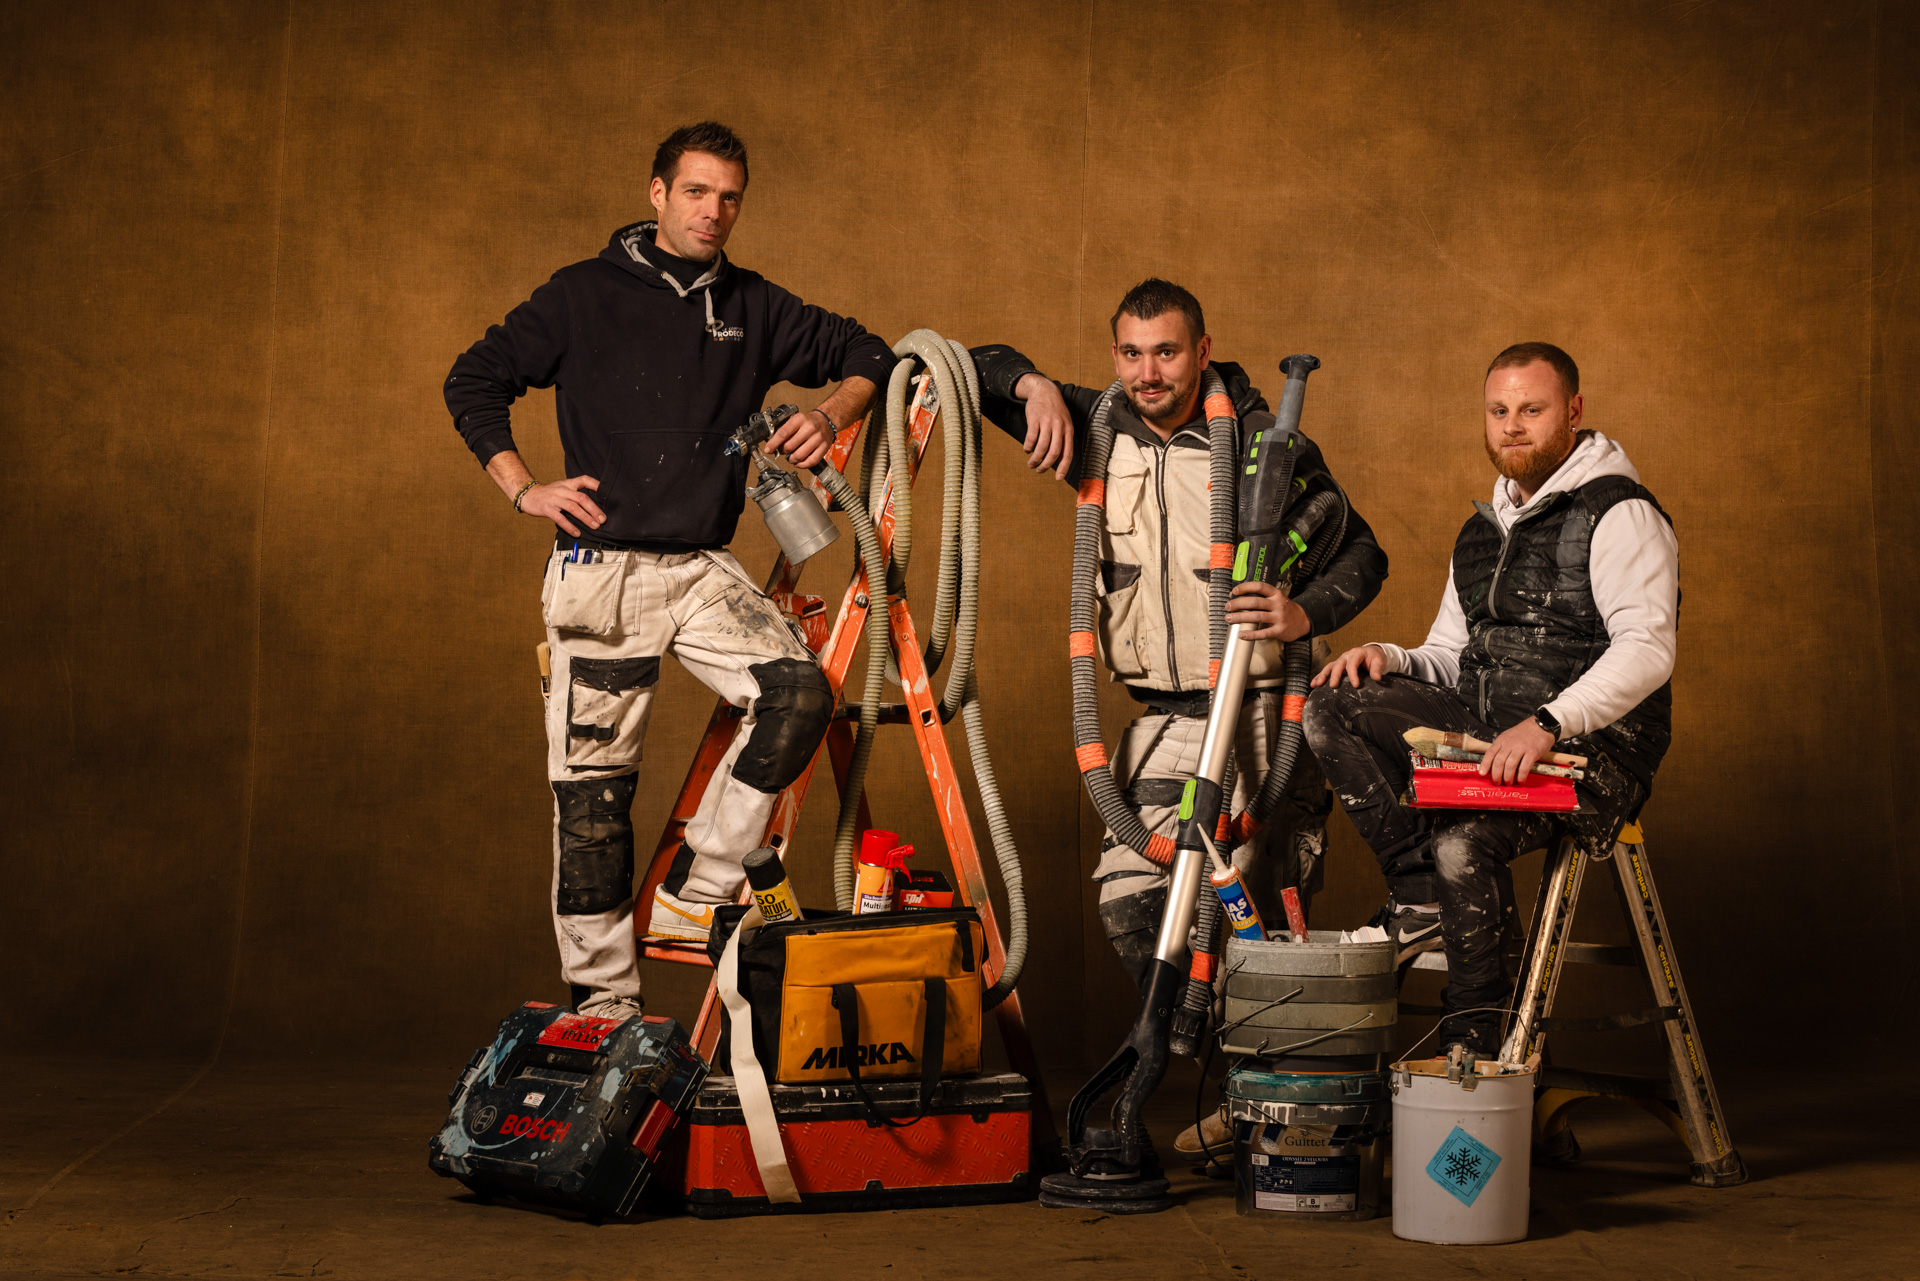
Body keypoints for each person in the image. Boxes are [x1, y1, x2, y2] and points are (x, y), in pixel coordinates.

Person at [443, 121, 894, 1020]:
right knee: (595, 809)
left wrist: (830, 412)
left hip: (699, 570)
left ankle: (703, 880)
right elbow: (474, 379)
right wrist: (524, 487)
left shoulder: (753, 304)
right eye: (695, 191)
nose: (712, 211)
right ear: (657, 193)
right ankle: (603, 1011)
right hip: (601, 577)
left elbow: (871, 354)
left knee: (799, 696)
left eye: (729, 197)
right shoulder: (583, 294)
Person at [971, 279, 1389, 992]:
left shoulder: (1261, 442)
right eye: (1132, 353)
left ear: (1202, 350)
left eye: (1166, 352)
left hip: (1260, 716)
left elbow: (1364, 554)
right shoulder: (1095, 430)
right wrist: (1033, 387)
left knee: (1255, 938)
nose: (1149, 373)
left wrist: (1305, 613)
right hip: (1164, 720)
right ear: (1114, 354)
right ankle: (1188, 1041)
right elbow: (968, 366)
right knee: (1134, 906)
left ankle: (1242, 1063)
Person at [1305, 342, 1679, 1058]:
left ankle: (1478, 1044)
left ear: (1573, 411)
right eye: (1499, 410)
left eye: (1532, 410)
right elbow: (1450, 654)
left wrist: (1548, 723)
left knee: (1461, 844)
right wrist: (1392, 657)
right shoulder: (1481, 532)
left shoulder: (1619, 512)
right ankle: (1420, 896)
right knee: (1333, 704)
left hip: (1592, 753)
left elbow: (1648, 649)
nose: (1512, 426)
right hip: (1491, 736)